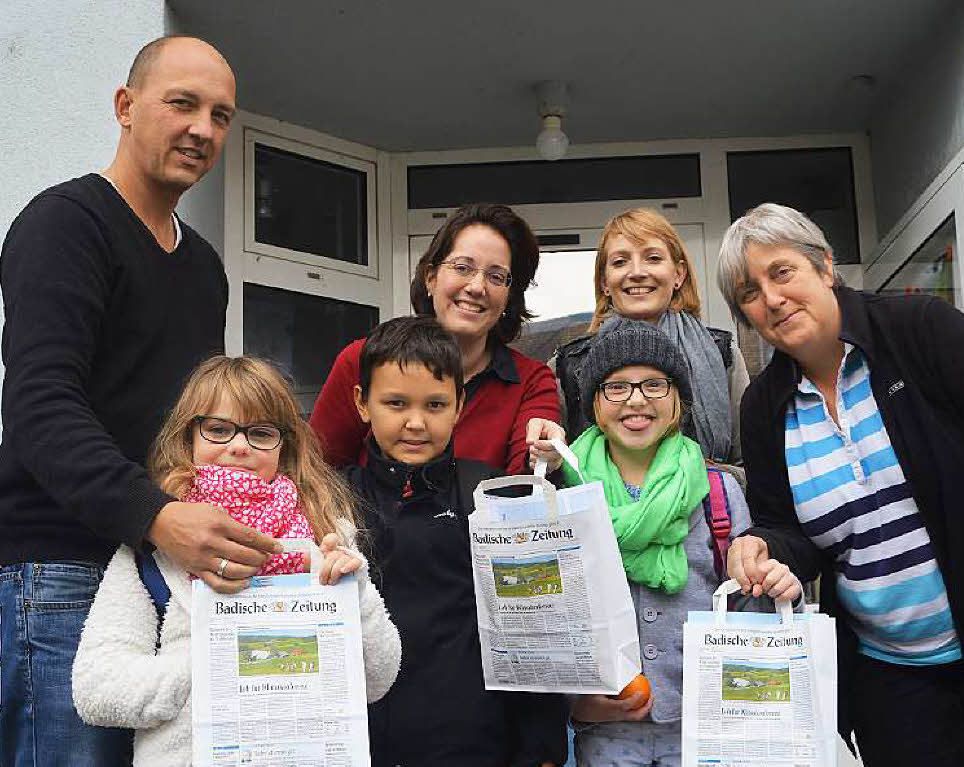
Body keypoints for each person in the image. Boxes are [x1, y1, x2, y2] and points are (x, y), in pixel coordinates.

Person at [0, 36, 280, 767]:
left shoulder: (204, 267)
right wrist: (157, 515)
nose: (203, 130)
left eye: (221, 116)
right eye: (182, 103)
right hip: (59, 571)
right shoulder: (66, 224)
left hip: (157, 572)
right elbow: (40, 405)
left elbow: (197, 427)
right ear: (125, 107)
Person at [717, 202, 964, 767]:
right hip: (893, 686)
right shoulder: (763, 407)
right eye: (749, 293)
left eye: (782, 272)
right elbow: (789, 528)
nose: (772, 298)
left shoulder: (923, 331)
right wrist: (763, 547)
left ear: (825, 266)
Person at [71, 356, 401, 767]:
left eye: (261, 432)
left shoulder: (325, 532)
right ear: (188, 436)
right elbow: (96, 689)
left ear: (286, 447)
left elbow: (379, 678)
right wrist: (220, 659)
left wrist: (358, 593)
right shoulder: (152, 547)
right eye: (218, 429)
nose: (239, 445)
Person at [534, 320, 799, 767]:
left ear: (678, 399)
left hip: (706, 730)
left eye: (655, 384)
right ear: (594, 403)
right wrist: (573, 702)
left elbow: (749, 606)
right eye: (616, 387)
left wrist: (772, 583)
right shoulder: (564, 500)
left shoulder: (718, 492)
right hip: (606, 734)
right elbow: (545, 621)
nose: (636, 400)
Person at [344, 316, 568, 767]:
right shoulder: (336, 499)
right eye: (395, 403)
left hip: (473, 735)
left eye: (434, 404)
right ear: (362, 403)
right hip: (365, 739)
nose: (415, 422)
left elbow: (530, 622)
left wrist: (541, 743)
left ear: (459, 405)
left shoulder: (488, 494)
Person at [311, 202, 562, 476]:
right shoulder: (362, 361)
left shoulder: (531, 381)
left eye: (496, 276)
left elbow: (526, 482)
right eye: (463, 267)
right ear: (431, 278)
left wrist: (545, 455)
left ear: (509, 297)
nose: (477, 287)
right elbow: (316, 471)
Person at [550, 208, 748, 463]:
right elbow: (555, 467)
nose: (637, 272)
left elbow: (747, 460)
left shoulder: (723, 353)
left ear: (678, 275)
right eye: (620, 262)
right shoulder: (567, 365)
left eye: (653, 258)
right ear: (604, 283)